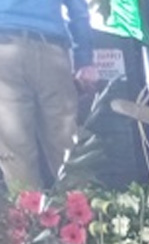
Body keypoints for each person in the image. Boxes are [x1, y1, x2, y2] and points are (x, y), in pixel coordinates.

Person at [0, 0, 98, 191]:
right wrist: (84, 59)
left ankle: (30, 217)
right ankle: (83, 213)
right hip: (51, 51)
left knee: (17, 152)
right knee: (66, 145)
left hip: (4, 53)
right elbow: (78, 9)